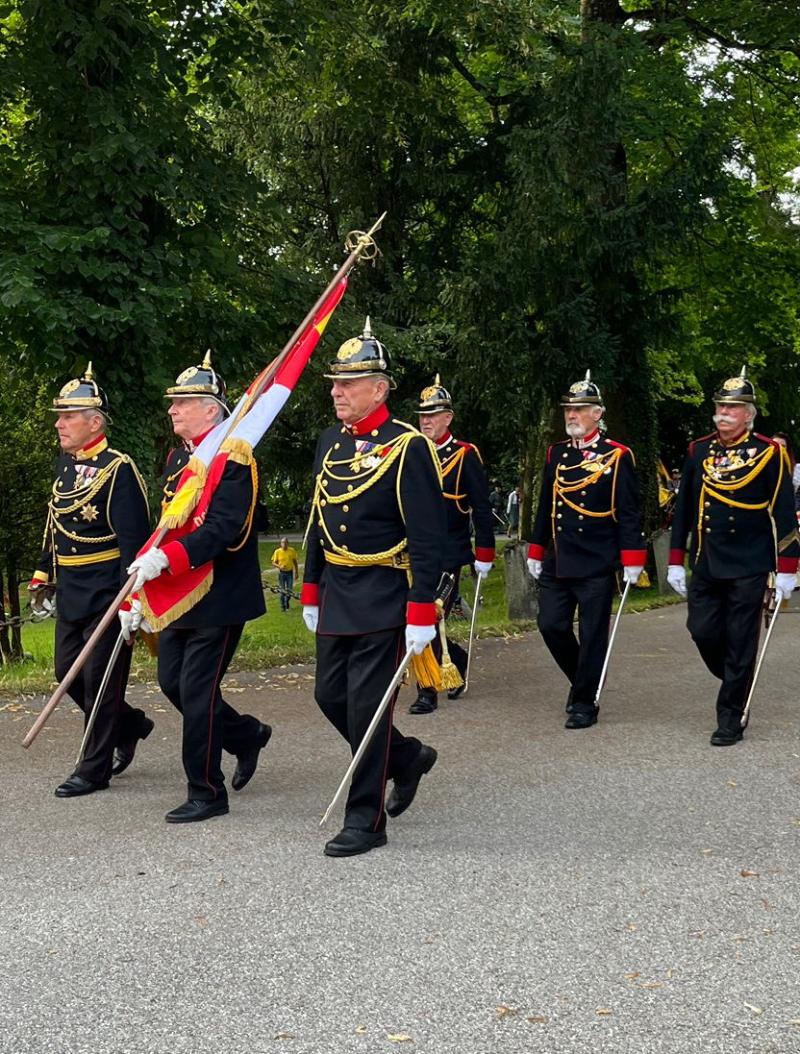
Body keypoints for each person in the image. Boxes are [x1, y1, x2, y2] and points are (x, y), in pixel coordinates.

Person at [300, 318, 445, 857]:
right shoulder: (329, 443)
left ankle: (366, 819)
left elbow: (429, 538)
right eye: (334, 382)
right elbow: (318, 519)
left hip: (386, 592)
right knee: (328, 695)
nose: (336, 391)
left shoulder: (408, 448)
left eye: (348, 383)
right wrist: (311, 587)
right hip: (338, 588)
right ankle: (405, 758)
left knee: (367, 707)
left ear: (379, 389)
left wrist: (421, 610)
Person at [126, 352, 272, 822]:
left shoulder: (235, 456)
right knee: (172, 683)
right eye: (174, 402)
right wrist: (142, 585)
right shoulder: (179, 459)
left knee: (197, 692)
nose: (173, 409)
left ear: (212, 409)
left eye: (184, 402)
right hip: (180, 592)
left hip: (220, 593)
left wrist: (165, 559)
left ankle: (206, 791)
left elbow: (226, 529)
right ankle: (246, 735)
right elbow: (171, 525)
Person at [28, 365, 153, 797]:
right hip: (72, 591)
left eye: (68, 416)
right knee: (68, 672)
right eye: (59, 416)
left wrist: (130, 601)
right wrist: (44, 570)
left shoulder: (118, 469)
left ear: (94, 422)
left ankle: (92, 768)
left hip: (107, 592)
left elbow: (135, 542)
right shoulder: (66, 465)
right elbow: (55, 520)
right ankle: (131, 724)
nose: (59, 424)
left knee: (100, 682)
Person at [667, 368, 798, 745]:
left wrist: (788, 566)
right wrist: (676, 558)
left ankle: (731, 716)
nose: (723, 413)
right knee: (701, 630)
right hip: (708, 560)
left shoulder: (770, 452)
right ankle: (736, 677)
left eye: (732, 407)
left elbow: (784, 510)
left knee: (742, 640)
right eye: (720, 406)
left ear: (749, 413)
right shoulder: (698, 450)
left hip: (749, 563)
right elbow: (685, 508)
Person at [527, 370, 646, 730]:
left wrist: (633, 559)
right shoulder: (557, 454)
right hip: (559, 559)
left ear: (598, 413)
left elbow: (628, 511)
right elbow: (545, 503)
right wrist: (536, 549)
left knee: (593, 634)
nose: (571, 415)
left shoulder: (617, 456)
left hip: (596, 561)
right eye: (568, 409)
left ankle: (584, 702)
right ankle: (585, 678)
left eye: (580, 409)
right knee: (550, 625)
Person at [410, 375, 495, 713]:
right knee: (416, 614)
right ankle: (453, 658)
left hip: (450, 552)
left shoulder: (464, 455)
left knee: (430, 614)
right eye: (422, 415)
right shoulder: (412, 452)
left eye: (433, 415)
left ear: (448, 417)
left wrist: (485, 553)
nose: (426, 421)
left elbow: (482, 507)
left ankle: (427, 690)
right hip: (414, 551)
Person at [271, 536, 299, 611]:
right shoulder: (277, 552)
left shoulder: (291, 551)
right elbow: (273, 562)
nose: (284, 544)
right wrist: (279, 566)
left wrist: (296, 572)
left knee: (289, 590)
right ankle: (283, 607)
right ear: (281, 543)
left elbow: (295, 562)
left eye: (286, 543)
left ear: (288, 543)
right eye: (283, 542)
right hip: (282, 573)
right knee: (282, 590)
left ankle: (287, 602)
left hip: (290, 573)